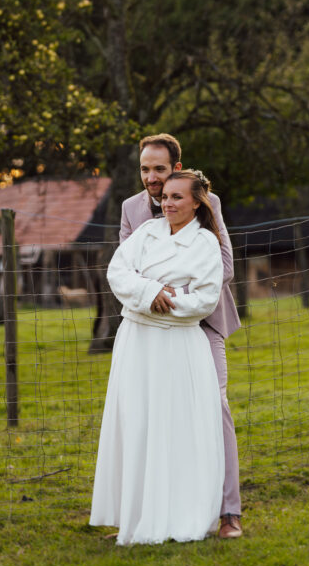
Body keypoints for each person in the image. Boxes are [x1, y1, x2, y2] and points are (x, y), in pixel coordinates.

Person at [118, 134, 243, 539]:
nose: (151, 178)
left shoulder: (206, 201)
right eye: (144, 169)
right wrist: (149, 293)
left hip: (201, 322)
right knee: (151, 412)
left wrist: (173, 294)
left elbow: (224, 267)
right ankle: (153, 511)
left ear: (176, 168)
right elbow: (125, 268)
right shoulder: (131, 209)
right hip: (150, 327)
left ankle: (228, 511)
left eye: (159, 169)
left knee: (214, 404)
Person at [90, 170, 225, 545]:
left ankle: (178, 512)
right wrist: (150, 291)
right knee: (137, 422)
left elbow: (204, 299)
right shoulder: (146, 234)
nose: (168, 203)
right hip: (137, 344)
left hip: (178, 345)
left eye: (177, 197)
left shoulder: (205, 244)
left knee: (176, 427)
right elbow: (118, 272)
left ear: (197, 201)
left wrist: (166, 301)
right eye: (165, 196)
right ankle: (136, 512)